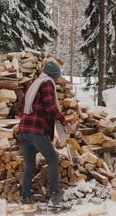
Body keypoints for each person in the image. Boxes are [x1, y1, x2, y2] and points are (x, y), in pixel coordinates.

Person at [18, 61, 75, 206]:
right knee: (53, 159)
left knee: (29, 165)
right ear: (53, 76)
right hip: (37, 131)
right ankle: (55, 194)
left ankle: (26, 198)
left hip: (24, 131)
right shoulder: (47, 83)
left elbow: (22, 106)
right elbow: (50, 106)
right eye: (56, 78)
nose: (55, 81)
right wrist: (65, 123)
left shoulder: (34, 84)